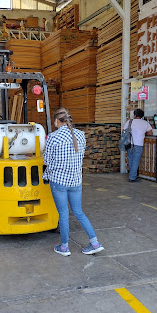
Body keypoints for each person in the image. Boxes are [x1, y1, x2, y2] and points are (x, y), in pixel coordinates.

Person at [43, 107, 104, 257]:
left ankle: (64, 247)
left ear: (57, 121)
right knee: (78, 212)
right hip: (76, 180)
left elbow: (46, 160)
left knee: (63, 214)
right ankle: (95, 243)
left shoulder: (53, 137)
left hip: (59, 181)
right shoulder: (81, 135)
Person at [123, 108, 153, 183]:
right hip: (138, 143)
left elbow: (123, 131)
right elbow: (150, 133)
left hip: (129, 143)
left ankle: (132, 175)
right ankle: (132, 177)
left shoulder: (130, 121)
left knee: (131, 159)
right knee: (136, 160)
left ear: (135, 115)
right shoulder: (145, 123)